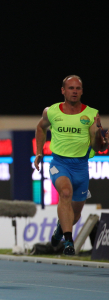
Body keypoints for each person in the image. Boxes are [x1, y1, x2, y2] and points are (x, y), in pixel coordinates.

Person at [34, 75, 108, 256]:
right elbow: (40, 128)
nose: (74, 91)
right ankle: (68, 242)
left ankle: (60, 230)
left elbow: (98, 148)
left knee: (74, 215)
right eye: (70, 88)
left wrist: (101, 136)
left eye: (77, 88)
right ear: (63, 91)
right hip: (59, 163)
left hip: (81, 167)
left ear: (82, 91)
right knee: (65, 192)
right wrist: (39, 152)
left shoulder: (91, 114)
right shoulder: (51, 112)